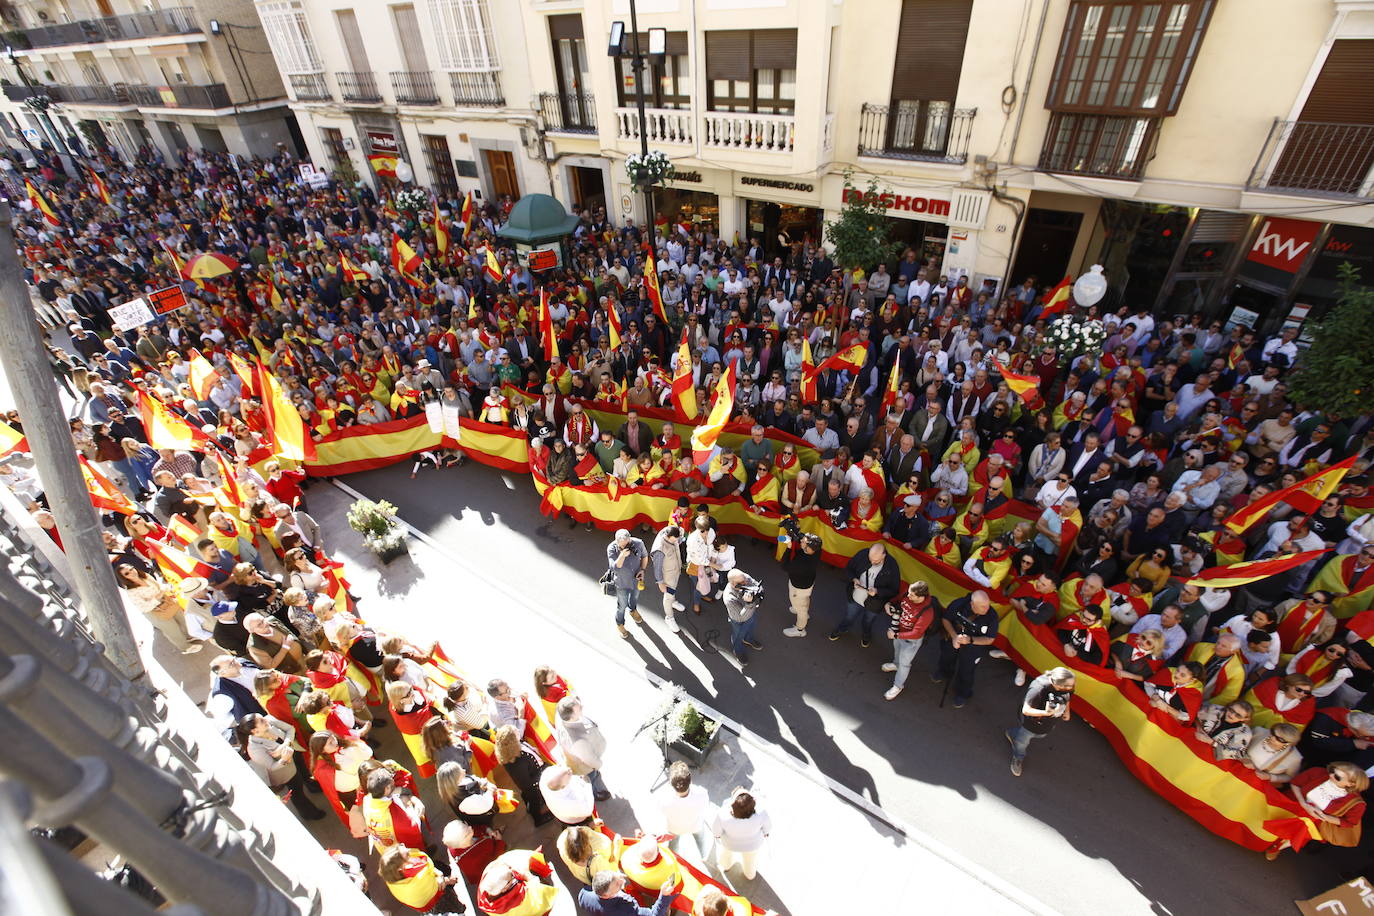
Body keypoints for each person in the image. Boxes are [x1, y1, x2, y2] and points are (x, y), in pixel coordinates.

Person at [1264, 762, 1368, 860]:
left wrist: (1324, 817)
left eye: (1337, 777)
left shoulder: (1356, 803)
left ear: (1350, 784)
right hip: (1292, 804)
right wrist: (1303, 803)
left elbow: (1349, 823)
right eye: (1332, 771)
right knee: (1267, 824)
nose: (1331, 775)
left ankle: (1277, 846)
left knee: (1301, 830)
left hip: (1313, 820)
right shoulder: (1318, 772)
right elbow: (1295, 783)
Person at [235, 714, 326, 820]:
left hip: (294, 752)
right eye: (261, 721)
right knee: (297, 792)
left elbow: (290, 729)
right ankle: (310, 814)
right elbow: (272, 766)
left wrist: (286, 744)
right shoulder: (254, 749)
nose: (265, 719)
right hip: (285, 771)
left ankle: (312, 787)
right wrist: (284, 759)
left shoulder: (269, 720)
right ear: (255, 731)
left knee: (304, 772)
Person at [1004, 667, 1075, 777]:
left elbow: (1068, 696)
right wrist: (1046, 713)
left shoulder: (1067, 687)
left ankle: (1014, 734)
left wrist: (1066, 711)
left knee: (1040, 735)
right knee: (1022, 742)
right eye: (1068, 687)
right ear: (1057, 685)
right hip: (1031, 724)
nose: (1071, 688)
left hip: (1047, 724)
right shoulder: (1038, 688)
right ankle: (1018, 757)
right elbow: (1026, 710)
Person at [935, 590, 999, 708]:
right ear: (972, 604)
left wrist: (970, 640)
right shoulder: (960, 604)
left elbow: (990, 639)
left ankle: (962, 693)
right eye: (982, 606)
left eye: (988, 605)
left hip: (974, 646)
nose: (987, 609)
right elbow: (946, 619)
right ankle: (943, 672)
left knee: (967, 670)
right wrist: (954, 637)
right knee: (946, 656)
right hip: (954, 636)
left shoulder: (992, 616)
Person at [829, 544, 900, 647]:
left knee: (868, 621)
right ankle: (842, 629)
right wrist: (854, 579)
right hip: (855, 597)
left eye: (876, 561)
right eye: (870, 559)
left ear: (884, 555)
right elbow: (849, 569)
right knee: (849, 616)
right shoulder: (863, 554)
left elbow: (894, 589)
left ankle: (866, 635)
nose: (872, 562)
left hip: (875, 603)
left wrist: (877, 591)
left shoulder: (892, 565)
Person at [882, 581, 939, 701]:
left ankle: (898, 686)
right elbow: (897, 600)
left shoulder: (927, 612)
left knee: (905, 664)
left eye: (911, 595)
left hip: (911, 641)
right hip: (898, 632)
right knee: (897, 651)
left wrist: (896, 635)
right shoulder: (908, 594)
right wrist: (889, 604)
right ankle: (895, 664)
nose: (908, 596)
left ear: (921, 597)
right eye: (908, 593)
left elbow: (916, 633)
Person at [556, 696, 611, 801]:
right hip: (586, 766)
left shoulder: (564, 720)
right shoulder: (578, 740)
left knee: (593, 775)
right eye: (579, 708)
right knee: (590, 780)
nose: (582, 707)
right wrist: (598, 765)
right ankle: (595, 795)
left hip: (580, 759)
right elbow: (590, 760)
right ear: (571, 717)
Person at [378, 845, 462, 912]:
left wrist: (438, 873)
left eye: (402, 845)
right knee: (453, 904)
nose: (409, 851)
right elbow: (438, 885)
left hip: (432, 882)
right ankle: (461, 910)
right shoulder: (416, 883)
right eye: (407, 855)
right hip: (435, 899)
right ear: (401, 867)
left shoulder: (392, 874)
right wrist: (447, 879)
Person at [710, 788, 770, 880]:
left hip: (730, 844)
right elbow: (767, 827)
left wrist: (718, 835)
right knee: (750, 861)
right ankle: (750, 875)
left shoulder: (723, 814)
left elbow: (716, 831)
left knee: (726, 855)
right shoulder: (761, 813)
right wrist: (766, 833)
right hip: (752, 846)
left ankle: (726, 866)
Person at [656, 761, 710, 854]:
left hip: (675, 828)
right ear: (690, 780)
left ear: (670, 783)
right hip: (695, 826)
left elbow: (662, 812)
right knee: (701, 839)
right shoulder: (702, 793)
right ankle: (704, 854)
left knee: (673, 844)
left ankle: (675, 857)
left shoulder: (664, 799)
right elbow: (705, 808)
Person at [606, 527, 649, 639]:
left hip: (636, 579)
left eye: (627, 543)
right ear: (617, 542)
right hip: (621, 582)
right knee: (622, 605)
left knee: (634, 598)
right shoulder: (611, 548)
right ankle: (620, 624)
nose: (626, 546)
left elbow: (645, 556)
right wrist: (622, 556)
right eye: (623, 545)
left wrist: (642, 570)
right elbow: (614, 568)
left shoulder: (638, 543)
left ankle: (633, 610)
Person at [577, 870, 677, 916]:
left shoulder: (584, 895)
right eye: (617, 884)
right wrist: (663, 896)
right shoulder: (626, 911)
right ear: (606, 895)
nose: (623, 881)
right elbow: (653, 914)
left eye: (617, 876)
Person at [779, 531, 821, 638]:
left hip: (799, 587)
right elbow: (802, 537)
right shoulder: (816, 549)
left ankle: (800, 629)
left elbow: (784, 566)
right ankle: (801, 610)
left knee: (800, 606)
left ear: (809, 548)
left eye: (803, 542)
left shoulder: (803, 564)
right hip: (807, 584)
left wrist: (789, 547)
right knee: (804, 600)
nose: (801, 541)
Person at [722, 568, 765, 666]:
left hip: (751, 613)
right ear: (733, 584)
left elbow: (755, 584)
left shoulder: (744, 578)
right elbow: (741, 617)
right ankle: (738, 651)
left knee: (751, 627)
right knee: (738, 636)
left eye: (744, 579)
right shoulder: (729, 598)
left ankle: (748, 639)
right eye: (741, 582)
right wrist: (749, 603)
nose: (746, 582)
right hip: (738, 620)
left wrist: (759, 591)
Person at [649, 525, 684, 634]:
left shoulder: (669, 531)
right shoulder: (659, 550)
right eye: (675, 539)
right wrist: (660, 583)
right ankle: (669, 617)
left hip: (675, 571)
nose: (677, 540)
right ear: (668, 537)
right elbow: (657, 567)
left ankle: (673, 601)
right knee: (668, 596)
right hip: (667, 576)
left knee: (672, 591)